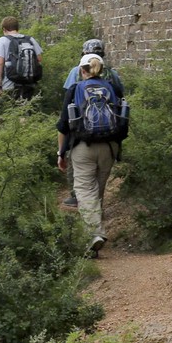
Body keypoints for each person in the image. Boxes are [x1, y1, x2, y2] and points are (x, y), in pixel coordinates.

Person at [57, 53, 127, 257]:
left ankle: (94, 234)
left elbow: (63, 125)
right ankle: (91, 241)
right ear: (101, 69)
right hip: (109, 146)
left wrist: (61, 153)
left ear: (82, 70)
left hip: (83, 147)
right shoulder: (112, 88)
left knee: (85, 191)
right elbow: (122, 117)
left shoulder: (75, 88)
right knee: (97, 191)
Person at [60, 38, 125, 208]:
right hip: (109, 136)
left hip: (81, 133)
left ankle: (77, 197)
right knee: (100, 177)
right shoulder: (112, 74)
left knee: (78, 167)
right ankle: (96, 206)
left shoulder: (76, 71)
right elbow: (120, 99)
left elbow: (68, 100)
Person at [0, 16, 43, 101]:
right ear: (17, 28)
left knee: (8, 111)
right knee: (26, 111)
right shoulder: (30, 39)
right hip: (29, 85)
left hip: (9, 85)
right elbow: (39, 59)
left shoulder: (2, 40)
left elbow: (0, 63)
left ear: (4, 29)